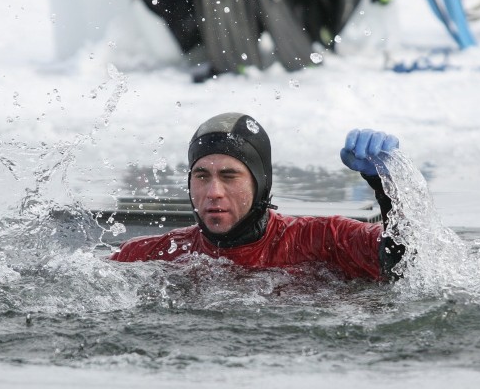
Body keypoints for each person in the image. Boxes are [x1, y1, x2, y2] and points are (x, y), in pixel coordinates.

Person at [110, 112, 404, 281]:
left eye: (229, 176)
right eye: (201, 176)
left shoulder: (325, 241)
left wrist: (387, 185)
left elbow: (407, 264)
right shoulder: (147, 256)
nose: (213, 192)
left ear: (260, 183)